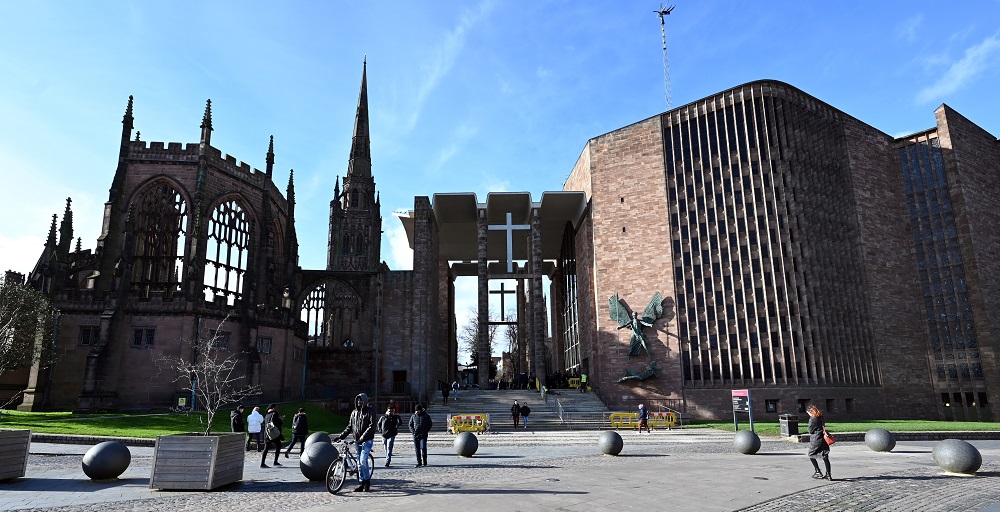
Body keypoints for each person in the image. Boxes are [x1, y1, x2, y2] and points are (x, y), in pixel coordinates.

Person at [334, 393, 375, 492]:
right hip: (357, 441)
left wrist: (362, 437)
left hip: (367, 440)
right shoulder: (354, 413)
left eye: (361, 400)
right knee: (359, 463)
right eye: (358, 400)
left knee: (362, 461)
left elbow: (371, 426)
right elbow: (349, 427)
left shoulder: (370, 411)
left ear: (364, 401)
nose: (359, 402)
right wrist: (341, 436)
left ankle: (366, 481)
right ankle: (362, 482)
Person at [806, 405, 832, 480]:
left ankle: (817, 471)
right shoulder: (821, 417)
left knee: (811, 454)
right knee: (825, 456)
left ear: (810, 412)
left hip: (816, 438)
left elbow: (810, 430)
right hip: (823, 438)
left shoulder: (812, 419)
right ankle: (828, 474)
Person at [408, 403, 433, 467]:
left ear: (421, 410)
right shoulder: (413, 417)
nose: (417, 412)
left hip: (423, 435)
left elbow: (430, 424)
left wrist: (426, 431)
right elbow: (410, 425)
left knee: (423, 447)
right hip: (415, 435)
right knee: (417, 449)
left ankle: (425, 461)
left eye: (418, 410)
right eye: (416, 411)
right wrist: (413, 431)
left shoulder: (426, 416)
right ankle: (419, 462)